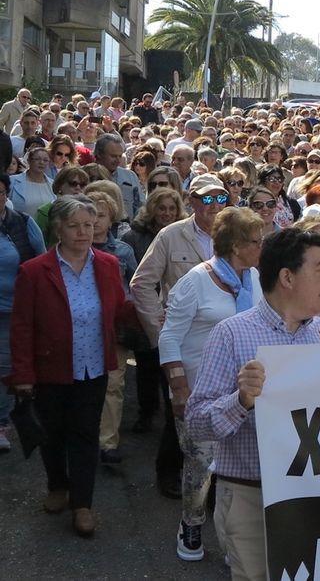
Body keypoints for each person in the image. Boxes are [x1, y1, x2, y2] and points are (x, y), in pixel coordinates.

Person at [187, 228, 320, 580]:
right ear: (287, 277)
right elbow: (196, 424)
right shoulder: (232, 334)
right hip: (252, 498)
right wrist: (242, 400)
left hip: (317, 499)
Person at [10, 196, 131, 536]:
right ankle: (57, 485)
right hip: (52, 369)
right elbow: (21, 327)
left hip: (93, 367)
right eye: (74, 225)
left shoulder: (107, 264)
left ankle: (82, 504)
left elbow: (119, 308)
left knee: (84, 436)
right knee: (52, 435)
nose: (82, 232)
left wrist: (156, 315)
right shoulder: (34, 271)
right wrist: (22, 375)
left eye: (88, 225)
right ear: (58, 229)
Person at [159, 207, 263, 561]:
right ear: (235, 245)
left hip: (247, 392)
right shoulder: (195, 281)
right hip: (201, 390)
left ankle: (237, 531)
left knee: (241, 461)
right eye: (255, 241)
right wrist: (179, 388)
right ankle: (191, 522)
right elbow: (170, 337)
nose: (261, 246)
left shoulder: (257, 280)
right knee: (201, 463)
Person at [129, 174, 229, 497]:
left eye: (220, 198)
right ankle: (168, 472)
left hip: (223, 338)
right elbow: (141, 283)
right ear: (193, 202)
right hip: (182, 340)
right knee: (181, 407)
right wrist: (159, 330)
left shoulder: (233, 236)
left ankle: (215, 480)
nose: (214, 206)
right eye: (207, 199)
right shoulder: (171, 236)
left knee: (221, 410)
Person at [121, 187, 186, 438]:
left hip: (172, 310)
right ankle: (146, 413)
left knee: (169, 368)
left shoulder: (183, 233)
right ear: (152, 210)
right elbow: (134, 277)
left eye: (171, 208)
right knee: (147, 366)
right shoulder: (134, 236)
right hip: (145, 309)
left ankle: (170, 415)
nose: (166, 213)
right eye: (161, 208)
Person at [89, 191, 138, 466]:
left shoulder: (122, 251)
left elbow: (135, 286)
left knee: (113, 385)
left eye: (101, 216)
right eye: (90, 216)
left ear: (111, 219)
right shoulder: (71, 249)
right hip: (83, 327)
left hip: (114, 327)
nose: (95, 222)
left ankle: (107, 442)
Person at [0, 173, 47, 453]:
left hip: (11, 310)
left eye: (0, 192)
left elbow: (40, 262)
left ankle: (1, 423)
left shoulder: (22, 223)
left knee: (4, 369)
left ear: (7, 195)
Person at [94, 134, 142, 221]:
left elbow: (140, 206)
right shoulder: (86, 175)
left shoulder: (130, 176)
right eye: (113, 156)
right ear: (99, 154)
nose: (118, 160)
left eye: (120, 156)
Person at [9, 147, 55, 218]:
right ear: (29, 161)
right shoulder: (12, 181)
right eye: (37, 159)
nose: (41, 162)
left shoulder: (53, 184)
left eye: (45, 160)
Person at [258, 164, 301, 229]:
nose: (277, 182)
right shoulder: (256, 203)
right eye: (272, 179)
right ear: (263, 181)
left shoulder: (291, 203)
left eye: (280, 179)